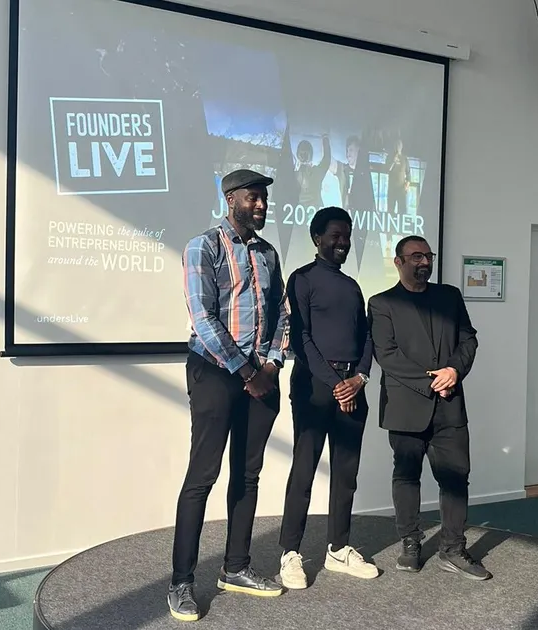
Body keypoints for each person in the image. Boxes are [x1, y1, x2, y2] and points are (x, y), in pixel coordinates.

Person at [168, 168, 291, 621]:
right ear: (231, 199)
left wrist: (274, 361)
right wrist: (245, 371)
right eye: (253, 198)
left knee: (248, 475)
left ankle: (235, 568)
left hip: (260, 372)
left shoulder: (268, 253)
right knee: (203, 476)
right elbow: (202, 316)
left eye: (264, 199)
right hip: (216, 371)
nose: (261, 205)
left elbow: (280, 311)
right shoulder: (204, 246)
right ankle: (181, 582)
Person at [366, 235, 491, 580]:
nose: (423, 262)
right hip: (405, 406)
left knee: (456, 477)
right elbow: (387, 354)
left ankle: (452, 548)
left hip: (450, 405)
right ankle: (410, 541)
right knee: (407, 476)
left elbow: (468, 338)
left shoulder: (449, 296)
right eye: (415, 256)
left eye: (428, 256)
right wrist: (430, 382)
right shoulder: (381, 303)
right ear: (398, 262)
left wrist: (453, 371)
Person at [277, 207, 379, 589]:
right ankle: (289, 552)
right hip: (315, 386)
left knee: (346, 474)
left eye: (347, 235)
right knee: (304, 470)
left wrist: (359, 378)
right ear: (317, 239)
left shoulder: (353, 286)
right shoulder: (301, 279)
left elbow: (367, 337)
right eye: (336, 235)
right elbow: (300, 339)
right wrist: (336, 382)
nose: (343, 243)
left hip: (353, 385)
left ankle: (339, 549)